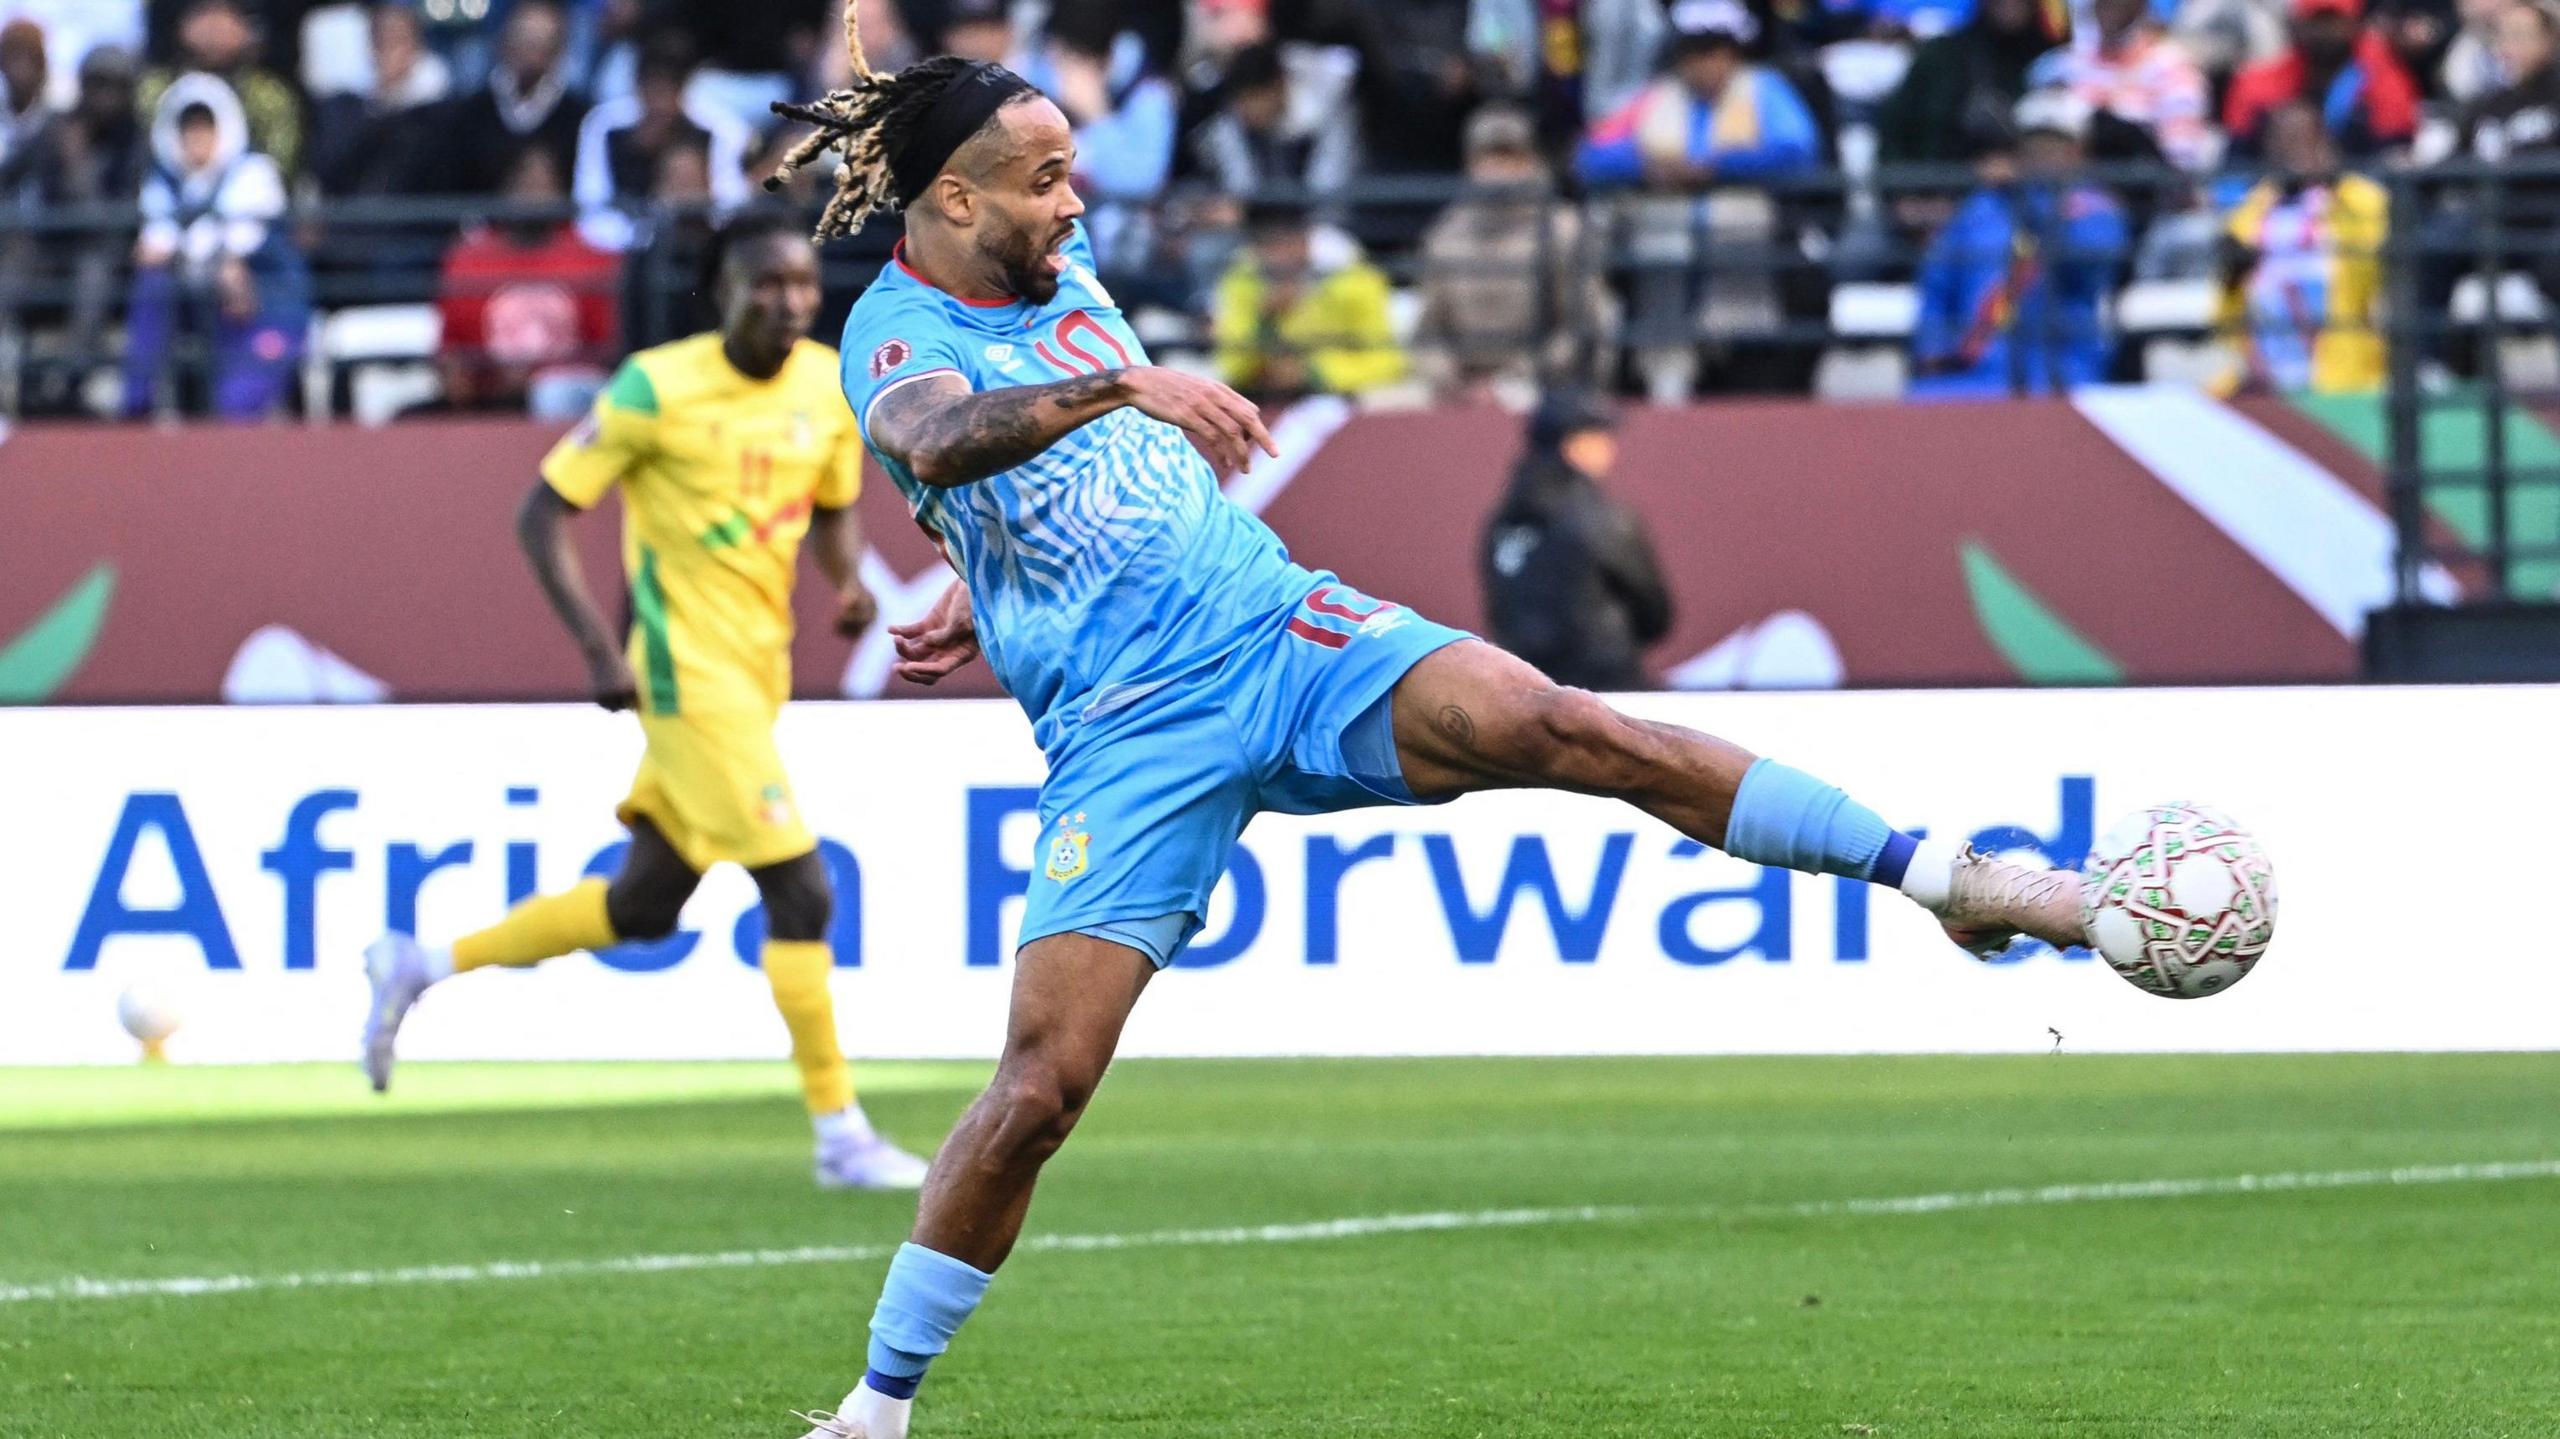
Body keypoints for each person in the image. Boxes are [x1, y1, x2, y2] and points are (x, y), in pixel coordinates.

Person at [765, 37, 2101, 1439]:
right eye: (1045, 183)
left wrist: (994, 581)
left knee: (1571, 724)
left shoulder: (1055, 269)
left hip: (1280, 633)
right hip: (1126, 730)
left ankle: (1953, 880)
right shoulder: (894, 334)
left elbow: (1076, 483)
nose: (1076, 206)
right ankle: (874, 1409)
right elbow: (943, 438)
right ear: (957, 205)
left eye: (1075, 174)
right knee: (1041, 1088)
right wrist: (1114, 398)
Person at [359, 210, 932, 1194]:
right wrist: (595, 644)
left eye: (801, 283)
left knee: (643, 903)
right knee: (802, 887)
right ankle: (840, 1129)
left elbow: (835, 507)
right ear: (722, 291)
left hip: (759, 674)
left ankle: (420, 960)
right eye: (766, 284)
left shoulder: (823, 387)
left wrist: (847, 583)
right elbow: (542, 510)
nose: (789, 301)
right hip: (679, 669)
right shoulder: (654, 386)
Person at [1574, 0, 1821, 401]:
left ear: (1734, 53)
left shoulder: (1763, 90)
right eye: (1696, 52)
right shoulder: (1656, 98)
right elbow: (1591, 156)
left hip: (1746, 264)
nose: (1708, 63)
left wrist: (1716, 168)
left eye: (1718, 51)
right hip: (1665, 268)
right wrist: (1647, 167)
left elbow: (1797, 149)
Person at [1910, 89, 2129, 398]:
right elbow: (1939, 279)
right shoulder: (1982, 205)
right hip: (1971, 367)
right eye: (2034, 143)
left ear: (2078, 151)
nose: (2044, 153)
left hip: (2060, 368)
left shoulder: (2095, 209)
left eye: (2056, 144)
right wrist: (1931, 349)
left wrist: (2030, 201)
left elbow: (2086, 266)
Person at [121, 74, 307, 418]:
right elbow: (152, 247)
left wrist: (221, 256)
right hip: (203, 308)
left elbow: (240, 237)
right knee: (153, 286)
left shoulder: (255, 173)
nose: (197, 139)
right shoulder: (164, 182)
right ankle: (136, 403)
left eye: (206, 128)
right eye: (188, 129)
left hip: (267, 310)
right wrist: (208, 253)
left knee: (235, 410)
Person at [1413, 105, 1611, 401]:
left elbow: (1582, 328)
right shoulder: (1445, 235)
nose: (1498, 170)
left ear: (1531, 162)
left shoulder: (1564, 231)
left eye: (1510, 158)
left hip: (1540, 382)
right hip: (1460, 387)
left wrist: (1516, 376)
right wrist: (1447, 376)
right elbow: (1428, 331)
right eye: (1488, 158)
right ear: (1470, 164)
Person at [1480, 390, 1672, 691]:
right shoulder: (1599, 517)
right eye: (1602, 437)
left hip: (1524, 694)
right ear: (1575, 444)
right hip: (1606, 694)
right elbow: (1656, 614)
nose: (1611, 450)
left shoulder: (1501, 521)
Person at [2217, 99, 2388, 393]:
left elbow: (2372, 271)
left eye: (2304, 140)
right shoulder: (2249, 213)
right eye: (2283, 142)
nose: (2294, 151)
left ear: (2325, 143)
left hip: (2339, 373)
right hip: (2264, 373)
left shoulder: (2360, 199)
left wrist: (2332, 190)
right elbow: (2225, 315)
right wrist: (2232, 274)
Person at [436, 143, 618, 414]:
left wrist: (540, 376)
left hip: (567, 402)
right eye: (525, 183)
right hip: (488, 395)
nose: (534, 195)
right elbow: (451, 347)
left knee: (555, 396)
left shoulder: (596, 260)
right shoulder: (467, 261)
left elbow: (607, 351)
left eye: (544, 184)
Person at [1210, 197, 1406, 401]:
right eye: (1267, 244)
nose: (1278, 256)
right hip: (1259, 396)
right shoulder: (1241, 280)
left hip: (1339, 398)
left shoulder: (1358, 279)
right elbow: (1232, 367)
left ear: (1307, 240)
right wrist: (1266, 320)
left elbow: (1388, 361)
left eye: (1287, 242)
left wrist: (1313, 373)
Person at [573, 34, 750, 249]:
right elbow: (591, 208)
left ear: (683, 90)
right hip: (625, 248)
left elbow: (731, 202)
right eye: (651, 88)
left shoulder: (719, 129)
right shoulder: (605, 125)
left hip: (703, 244)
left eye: (667, 90)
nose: (659, 103)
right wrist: (643, 237)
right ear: (638, 86)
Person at [1877, 0, 2072, 164]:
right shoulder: (1943, 54)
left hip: (2045, 192)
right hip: (1940, 189)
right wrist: (1906, 193)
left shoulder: (2060, 61)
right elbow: (1897, 125)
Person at [2223, 0, 2420, 159]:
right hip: (2277, 193)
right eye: (2316, 21)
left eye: (2334, 21)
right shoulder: (2266, 81)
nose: (2326, 31)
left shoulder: (2383, 77)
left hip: (2358, 193)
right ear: (2299, 25)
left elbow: (2395, 149)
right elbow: (2238, 153)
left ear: (2355, 23)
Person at [2032, 0, 2214, 168]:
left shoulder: (2172, 67)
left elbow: (2180, 160)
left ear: (2141, 5)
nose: (2108, 7)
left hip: (2138, 189)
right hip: (2060, 188)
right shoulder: (2058, 66)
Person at [434, 0, 589, 197]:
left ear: (558, 49)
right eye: (524, 39)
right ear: (504, 41)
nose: (531, 50)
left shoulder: (578, 117)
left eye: (542, 41)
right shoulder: (471, 113)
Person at [137, 0, 300, 177]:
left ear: (246, 29)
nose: (214, 27)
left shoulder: (269, 96)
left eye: (226, 15)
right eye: (203, 14)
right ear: (181, 25)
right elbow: (142, 161)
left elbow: (281, 167)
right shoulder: (156, 90)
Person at [308, 1, 450, 197]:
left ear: (417, 47)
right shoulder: (344, 108)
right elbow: (330, 172)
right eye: (380, 41)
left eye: (398, 41)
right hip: (354, 218)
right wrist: (381, 101)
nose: (387, 52)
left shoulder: (436, 113)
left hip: (414, 219)